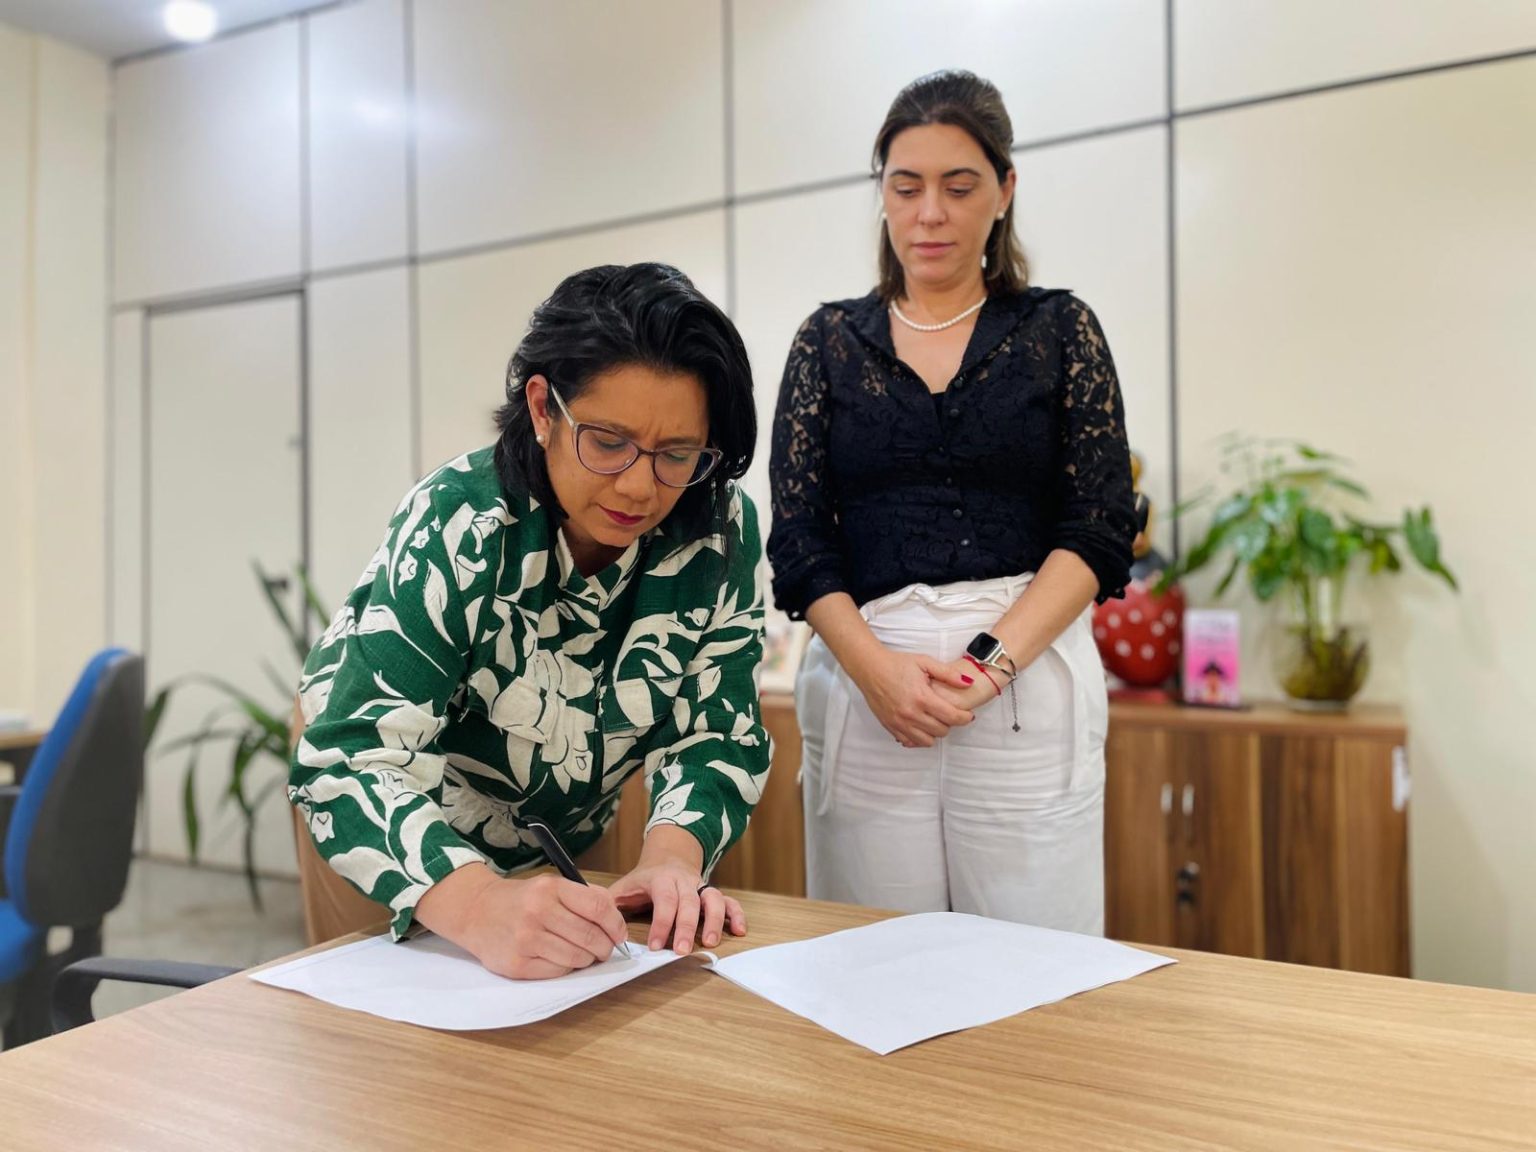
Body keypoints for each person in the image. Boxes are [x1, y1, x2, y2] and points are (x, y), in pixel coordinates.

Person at [291, 263, 768, 978]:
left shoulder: (716, 529)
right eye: (608, 442)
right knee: (401, 1058)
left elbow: (716, 731)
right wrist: (478, 904)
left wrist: (672, 856)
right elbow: (353, 753)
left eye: (676, 455)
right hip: (397, 831)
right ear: (544, 410)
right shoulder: (462, 522)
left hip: (565, 831)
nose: (639, 486)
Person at [767, 71, 1137, 934]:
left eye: (958, 185)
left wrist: (982, 670)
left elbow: (1100, 524)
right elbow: (799, 539)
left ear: (1004, 193)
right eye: (906, 186)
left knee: (1035, 974)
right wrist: (876, 673)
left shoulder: (1059, 330)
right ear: (883, 198)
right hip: (868, 699)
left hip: (1021, 693)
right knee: (871, 963)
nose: (929, 212)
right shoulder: (827, 342)